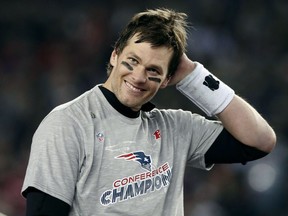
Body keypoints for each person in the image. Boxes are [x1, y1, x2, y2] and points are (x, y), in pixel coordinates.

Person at [21, 8, 276, 216]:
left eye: (154, 70)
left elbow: (259, 141)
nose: (139, 77)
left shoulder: (175, 127)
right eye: (132, 61)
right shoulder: (67, 123)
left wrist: (194, 75)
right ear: (114, 55)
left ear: (167, 79)